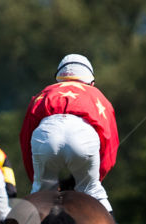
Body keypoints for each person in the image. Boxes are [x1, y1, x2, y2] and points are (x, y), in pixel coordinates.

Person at [20, 53, 119, 214]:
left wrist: (37, 180)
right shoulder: (98, 97)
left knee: (40, 194)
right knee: (94, 191)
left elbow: (26, 139)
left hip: (46, 136)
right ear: (91, 82)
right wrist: (97, 177)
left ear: (58, 79)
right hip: (83, 138)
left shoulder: (43, 93)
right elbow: (110, 142)